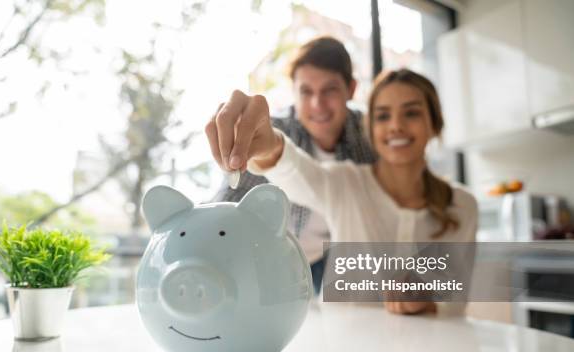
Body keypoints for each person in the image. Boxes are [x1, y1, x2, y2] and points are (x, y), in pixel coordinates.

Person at [205, 68, 478, 315]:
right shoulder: (346, 183)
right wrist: (267, 144)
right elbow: (293, 169)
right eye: (383, 115)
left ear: (435, 123)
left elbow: (458, 301)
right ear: (370, 129)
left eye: (411, 112)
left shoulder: (463, 206)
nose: (396, 125)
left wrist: (429, 301)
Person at [212, 36, 376, 295]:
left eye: (329, 90)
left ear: (351, 89)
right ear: (294, 91)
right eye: (306, 91)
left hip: (343, 256)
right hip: (283, 259)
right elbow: (231, 199)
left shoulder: (369, 135)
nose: (317, 104)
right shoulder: (271, 132)